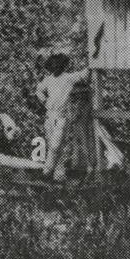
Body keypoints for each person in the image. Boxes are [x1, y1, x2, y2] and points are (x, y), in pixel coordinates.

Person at [36, 51, 88, 180]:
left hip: (61, 116)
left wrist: (92, 62)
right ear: (51, 66)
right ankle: (59, 174)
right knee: (52, 144)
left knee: (56, 144)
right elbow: (39, 90)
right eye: (53, 65)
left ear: (63, 66)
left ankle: (47, 171)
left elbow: (84, 74)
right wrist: (43, 100)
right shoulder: (48, 80)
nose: (56, 67)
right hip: (49, 116)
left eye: (59, 65)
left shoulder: (68, 78)